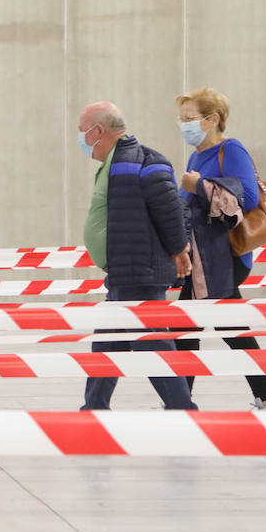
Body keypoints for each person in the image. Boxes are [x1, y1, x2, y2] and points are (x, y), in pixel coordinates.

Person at [76, 101, 196, 411]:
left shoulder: (145, 161)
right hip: (124, 271)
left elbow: (171, 210)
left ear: (98, 131)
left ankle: (184, 409)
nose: (80, 139)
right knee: (107, 343)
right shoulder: (114, 163)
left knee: (155, 344)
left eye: (82, 132)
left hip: (139, 273)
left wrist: (180, 249)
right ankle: (94, 408)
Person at [173, 87, 266, 410]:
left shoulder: (231, 150)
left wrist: (198, 186)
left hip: (224, 256)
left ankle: (182, 401)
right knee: (224, 325)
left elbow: (248, 198)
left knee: (186, 325)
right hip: (203, 256)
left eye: (189, 118)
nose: (183, 125)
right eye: (180, 119)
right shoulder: (197, 156)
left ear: (212, 120)